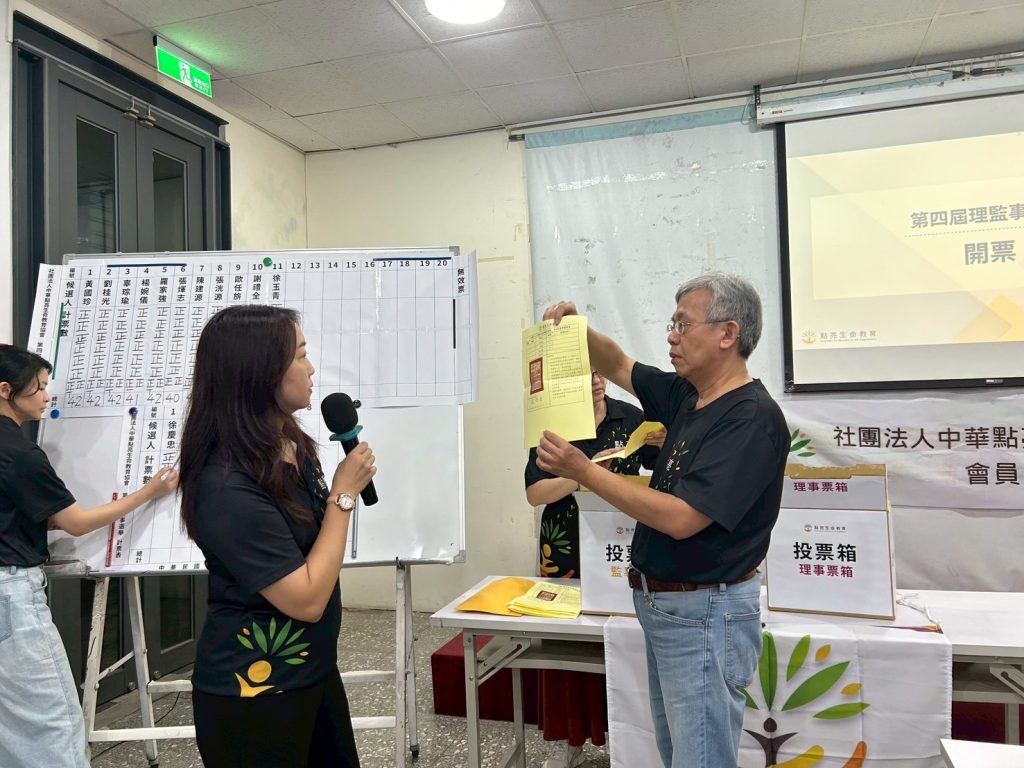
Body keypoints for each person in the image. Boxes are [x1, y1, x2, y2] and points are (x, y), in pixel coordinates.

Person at [536, 274, 789, 768]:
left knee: (700, 756)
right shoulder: (687, 396)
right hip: (671, 607)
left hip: (705, 611)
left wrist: (583, 471)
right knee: (682, 752)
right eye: (671, 324)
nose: (671, 336)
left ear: (727, 333)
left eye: (683, 325)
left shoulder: (750, 417)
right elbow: (618, 364)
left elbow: (682, 519)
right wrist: (575, 329)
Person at [178, 304, 375, 767]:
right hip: (255, 691)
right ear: (260, 373)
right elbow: (306, 599)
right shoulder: (225, 486)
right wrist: (343, 496)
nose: (312, 369)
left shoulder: (287, 445)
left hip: (312, 669)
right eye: (301, 356)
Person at [0, 344, 177, 768]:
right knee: (54, 726)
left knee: (11, 729)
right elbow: (76, 522)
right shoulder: (20, 453)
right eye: (38, 388)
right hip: (11, 596)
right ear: (6, 390)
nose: (47, 397)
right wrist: (150, 492)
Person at [525, 370, 664, 768]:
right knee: (564, 643)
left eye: (599, 372)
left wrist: (666, 441)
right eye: (584, 374)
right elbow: (534, 493)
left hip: (621, 542)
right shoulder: (553, 427)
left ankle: (635, 739)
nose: (595, 381)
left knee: (626, 633)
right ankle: (568, 740)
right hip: (565, 546)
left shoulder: (631, 417)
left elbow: (658, 471)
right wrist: (582, 473)